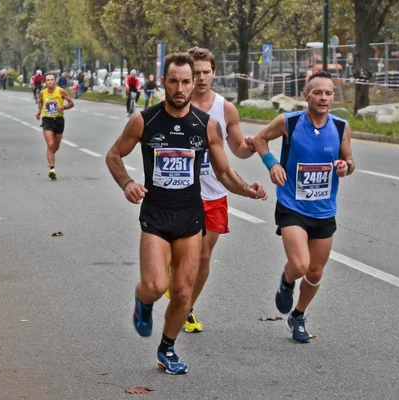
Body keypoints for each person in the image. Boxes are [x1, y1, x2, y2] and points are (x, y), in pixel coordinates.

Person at [105, 52, 267, 375]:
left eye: (186, 82)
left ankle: (167, 348)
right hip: (156, 216)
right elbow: (113, 155)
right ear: (163, 82)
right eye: (173, 81)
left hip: (190, 218)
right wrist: (127, 183)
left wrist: (246, 188)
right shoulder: (144, 120)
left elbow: (223, 172)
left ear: (195, 84)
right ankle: (143, 301)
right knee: (154, 285)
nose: (179, 88)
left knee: (181, 292)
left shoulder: (206, 126)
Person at [245, 70, 355, 343]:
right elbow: (260, 139)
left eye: (329, 93)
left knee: (316, 271)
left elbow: (350, 160)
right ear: (306, 95)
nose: (324, 98)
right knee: (301, 264)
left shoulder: (341, 127)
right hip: (292, 204)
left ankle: (298, 315)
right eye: (317, 92)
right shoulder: (289, 122)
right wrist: (273, 164)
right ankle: (287, 279)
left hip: (324, 209)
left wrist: (345, 167)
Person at [164, 46, 262, 333]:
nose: (202, 78)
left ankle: (187, 308)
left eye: (207, 72)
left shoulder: (225, 108)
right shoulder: (176, 104)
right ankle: (177, 288)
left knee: (204, 256)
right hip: (181, 193)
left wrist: (254, 145)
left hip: (214, 193)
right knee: (181, 255)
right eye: (196, 73)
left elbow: (238, 150)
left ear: (214, 73)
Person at [35, 72, 74, 180]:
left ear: (55, 81)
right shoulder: (43, 93)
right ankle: (52, 169)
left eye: (52, 79)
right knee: (50, 144)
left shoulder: (61, 91)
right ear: (45, 82)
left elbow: (71, 103)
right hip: (47, 120)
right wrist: (39, 111)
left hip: (59, 121)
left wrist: (63, 107)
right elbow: (40, 102)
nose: (50, 81)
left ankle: (51, 154)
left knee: (55, 147)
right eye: (48, 80)